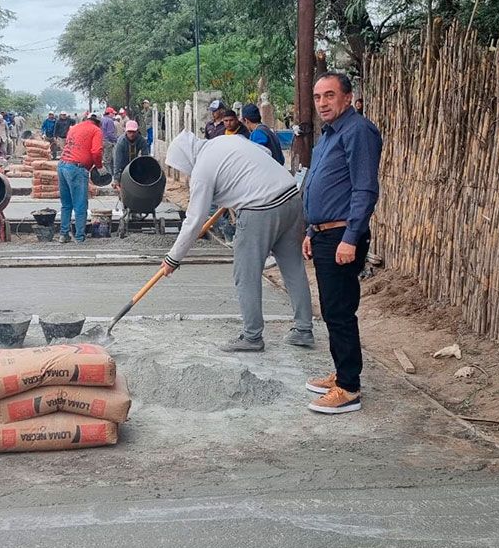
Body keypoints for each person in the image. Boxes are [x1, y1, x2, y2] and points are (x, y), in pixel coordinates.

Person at [160, 132, 313, 352]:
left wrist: (173, 258)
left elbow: (194, 220)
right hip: (290, 196)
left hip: (260, 208)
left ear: (186, 158)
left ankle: (252, 336)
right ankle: (304, 330)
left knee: (246, 273)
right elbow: (265, 152)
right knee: (293, 267)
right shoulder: (225, 141)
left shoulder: (203, 168)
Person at [302, 72, 383, 416]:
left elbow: (364, 189)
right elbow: (325, 187)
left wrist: (350, 237)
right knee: (332, 310)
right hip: (323, 234)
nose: (322, 103)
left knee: (339, 310)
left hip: (341, 236)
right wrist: (310, 230)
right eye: (318, 97)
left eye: (330, 95)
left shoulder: (358, 131)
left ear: (348, 98)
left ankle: (349, 388)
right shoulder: (328, 136)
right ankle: (342, 373)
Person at [57, 114, 103, 243]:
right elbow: (96, 151)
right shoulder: (96, 130)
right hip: (76, 168)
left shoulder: (75, 127)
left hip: (62, 165)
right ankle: (79, 237)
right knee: (80, 204)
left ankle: (64, 234)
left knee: (66, 204)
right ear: (98, 122)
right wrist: (99, 166)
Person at [112, 119, 149, 184]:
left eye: (133, 132)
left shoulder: (142, 141)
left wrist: (145, 173)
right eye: (129, 132)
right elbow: (117, 160)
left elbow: (145, 157)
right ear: (126, 131)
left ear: (137, 131)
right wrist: (116, 178)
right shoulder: (121, 142)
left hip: (136, 165)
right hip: (123, 165)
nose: (131, 134)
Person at [100, 107, 119, 177]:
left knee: (104, 158)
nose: (113, 115)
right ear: (109, 113)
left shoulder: (101, 120)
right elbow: (110, 133)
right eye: (113, 113)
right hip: (108, 142)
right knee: (108, 160)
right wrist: (116, 140)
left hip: (101, 141)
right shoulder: (110, 121)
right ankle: (109, 175)